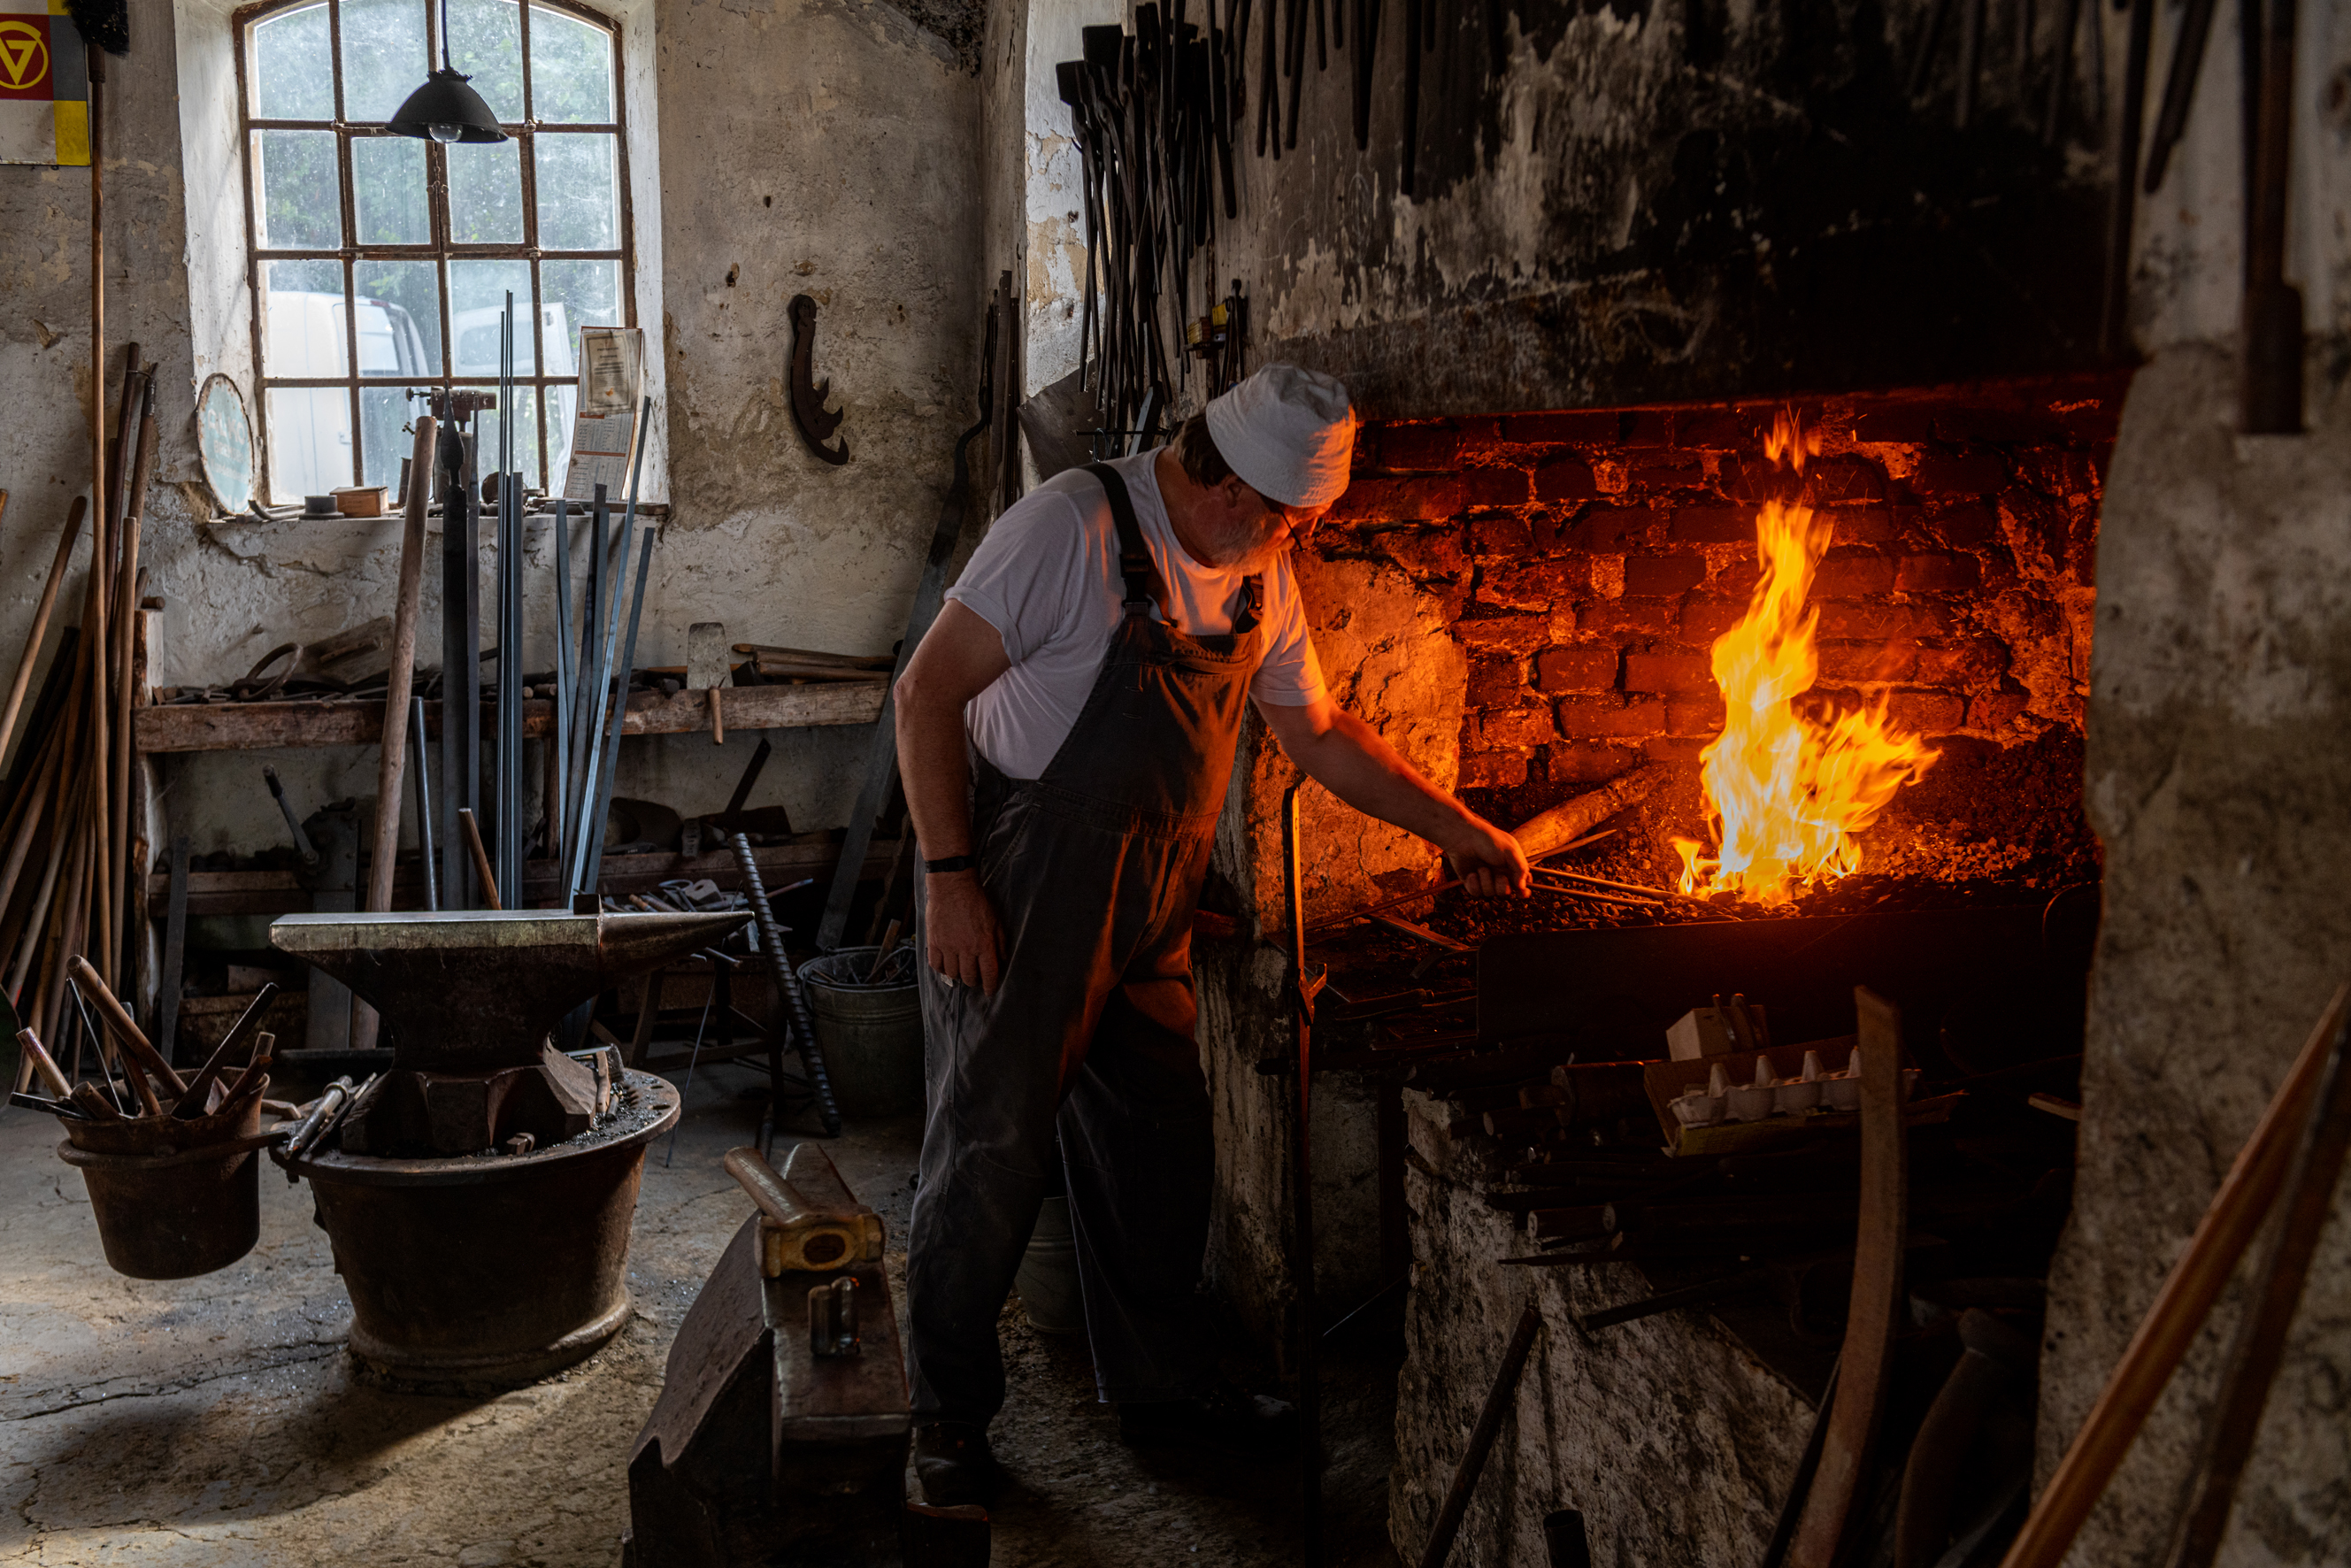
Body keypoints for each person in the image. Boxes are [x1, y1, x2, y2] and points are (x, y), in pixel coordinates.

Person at [892, 364, 1530, 1504]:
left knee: (1158, 1150)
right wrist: (949, 880)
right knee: (989, 1154)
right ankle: (944, 1418)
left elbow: (1321, 735)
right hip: (1023, 891)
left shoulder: (1256, 577)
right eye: (1293, 520)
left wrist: (1459, 827)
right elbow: (926, 694)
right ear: (1232, 486)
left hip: (1150, 907)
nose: (1298, 541)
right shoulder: (1068, 531)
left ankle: (1160, 1388)